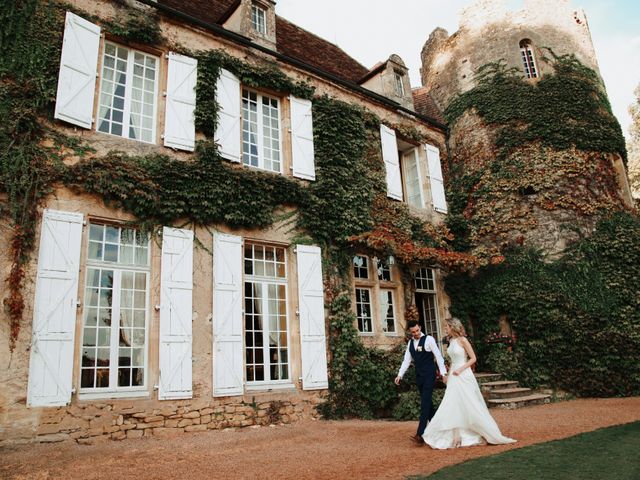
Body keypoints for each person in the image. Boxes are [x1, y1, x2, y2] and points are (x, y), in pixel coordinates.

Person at [423, 318, 517, 449]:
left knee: (470, 403)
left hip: (463, 374)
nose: (445, 328)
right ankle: (456, 435)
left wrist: (460, 369)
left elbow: (473, 358)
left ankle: (484, 432)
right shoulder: (451, 341)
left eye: (447, 326)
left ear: (453, 327)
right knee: (453, 403)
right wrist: (447, 375)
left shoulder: (463, 340)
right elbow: (452, 361)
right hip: (453, 375)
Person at [395, 320, 447, 446]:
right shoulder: (410, 344)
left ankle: (420, 434)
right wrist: (400, 375)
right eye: (413, 332)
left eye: (417, 331)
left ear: (420, 328)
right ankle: (440, 429)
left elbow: (438, 356)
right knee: (428, 405)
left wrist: (443, 373)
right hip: (419, 377)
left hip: (430, 375)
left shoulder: (429, 339)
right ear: (410, 332)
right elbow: (406, 360)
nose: (416, 333)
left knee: (425, 403)